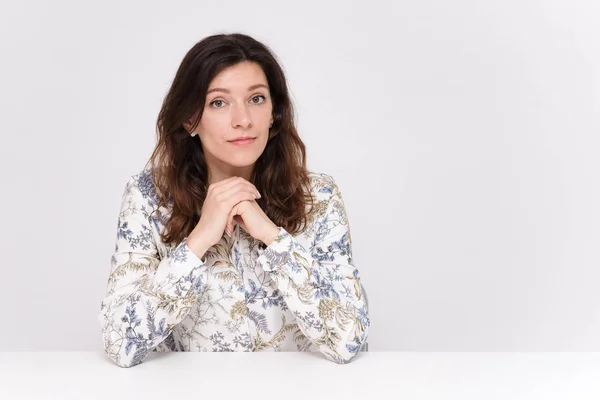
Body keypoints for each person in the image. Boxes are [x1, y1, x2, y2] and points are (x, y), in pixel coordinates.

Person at [97, 32, 370, 368]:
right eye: (219, 103)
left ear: (274, 113)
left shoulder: (318, 197)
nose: (243, 119)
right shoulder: (150, 197)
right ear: (189, 118)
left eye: (256, 99)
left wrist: (272, 236)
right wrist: (199, 239)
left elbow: (349, 339)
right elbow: (119, 342)